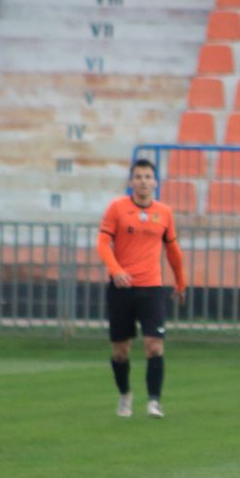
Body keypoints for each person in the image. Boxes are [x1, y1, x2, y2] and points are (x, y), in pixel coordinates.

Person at [96, 158, 185, 418]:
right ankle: (125, 394)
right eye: (138, 177)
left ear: (155, 182)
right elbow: (102, 243)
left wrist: (180, 281)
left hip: (152, 288)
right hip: (121, 289)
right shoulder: (117, 208)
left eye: (148, 177)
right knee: (120, 351)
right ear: (131, 182)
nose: (143, 181)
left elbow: (173, 250)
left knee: (154, 345)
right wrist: (116, 270)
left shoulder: (164, 212)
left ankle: (154, 402)